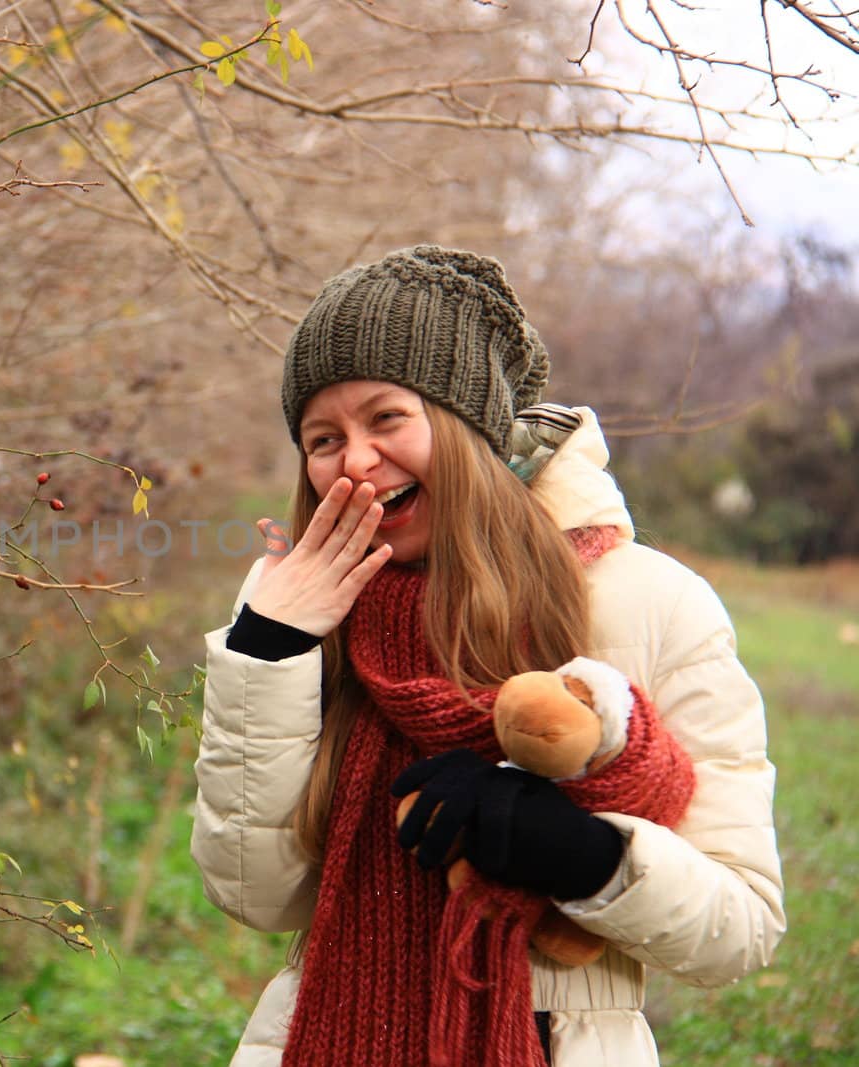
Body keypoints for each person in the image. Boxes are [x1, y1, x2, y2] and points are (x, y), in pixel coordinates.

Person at [191, 246, 785, 1067]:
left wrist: (581, 853)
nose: (354, 460)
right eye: (323, 437)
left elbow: (742, 927)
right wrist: (271, 647)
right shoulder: (298, 611)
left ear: (469, 423)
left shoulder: (649, 600)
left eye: (386, 418)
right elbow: (258, 893)